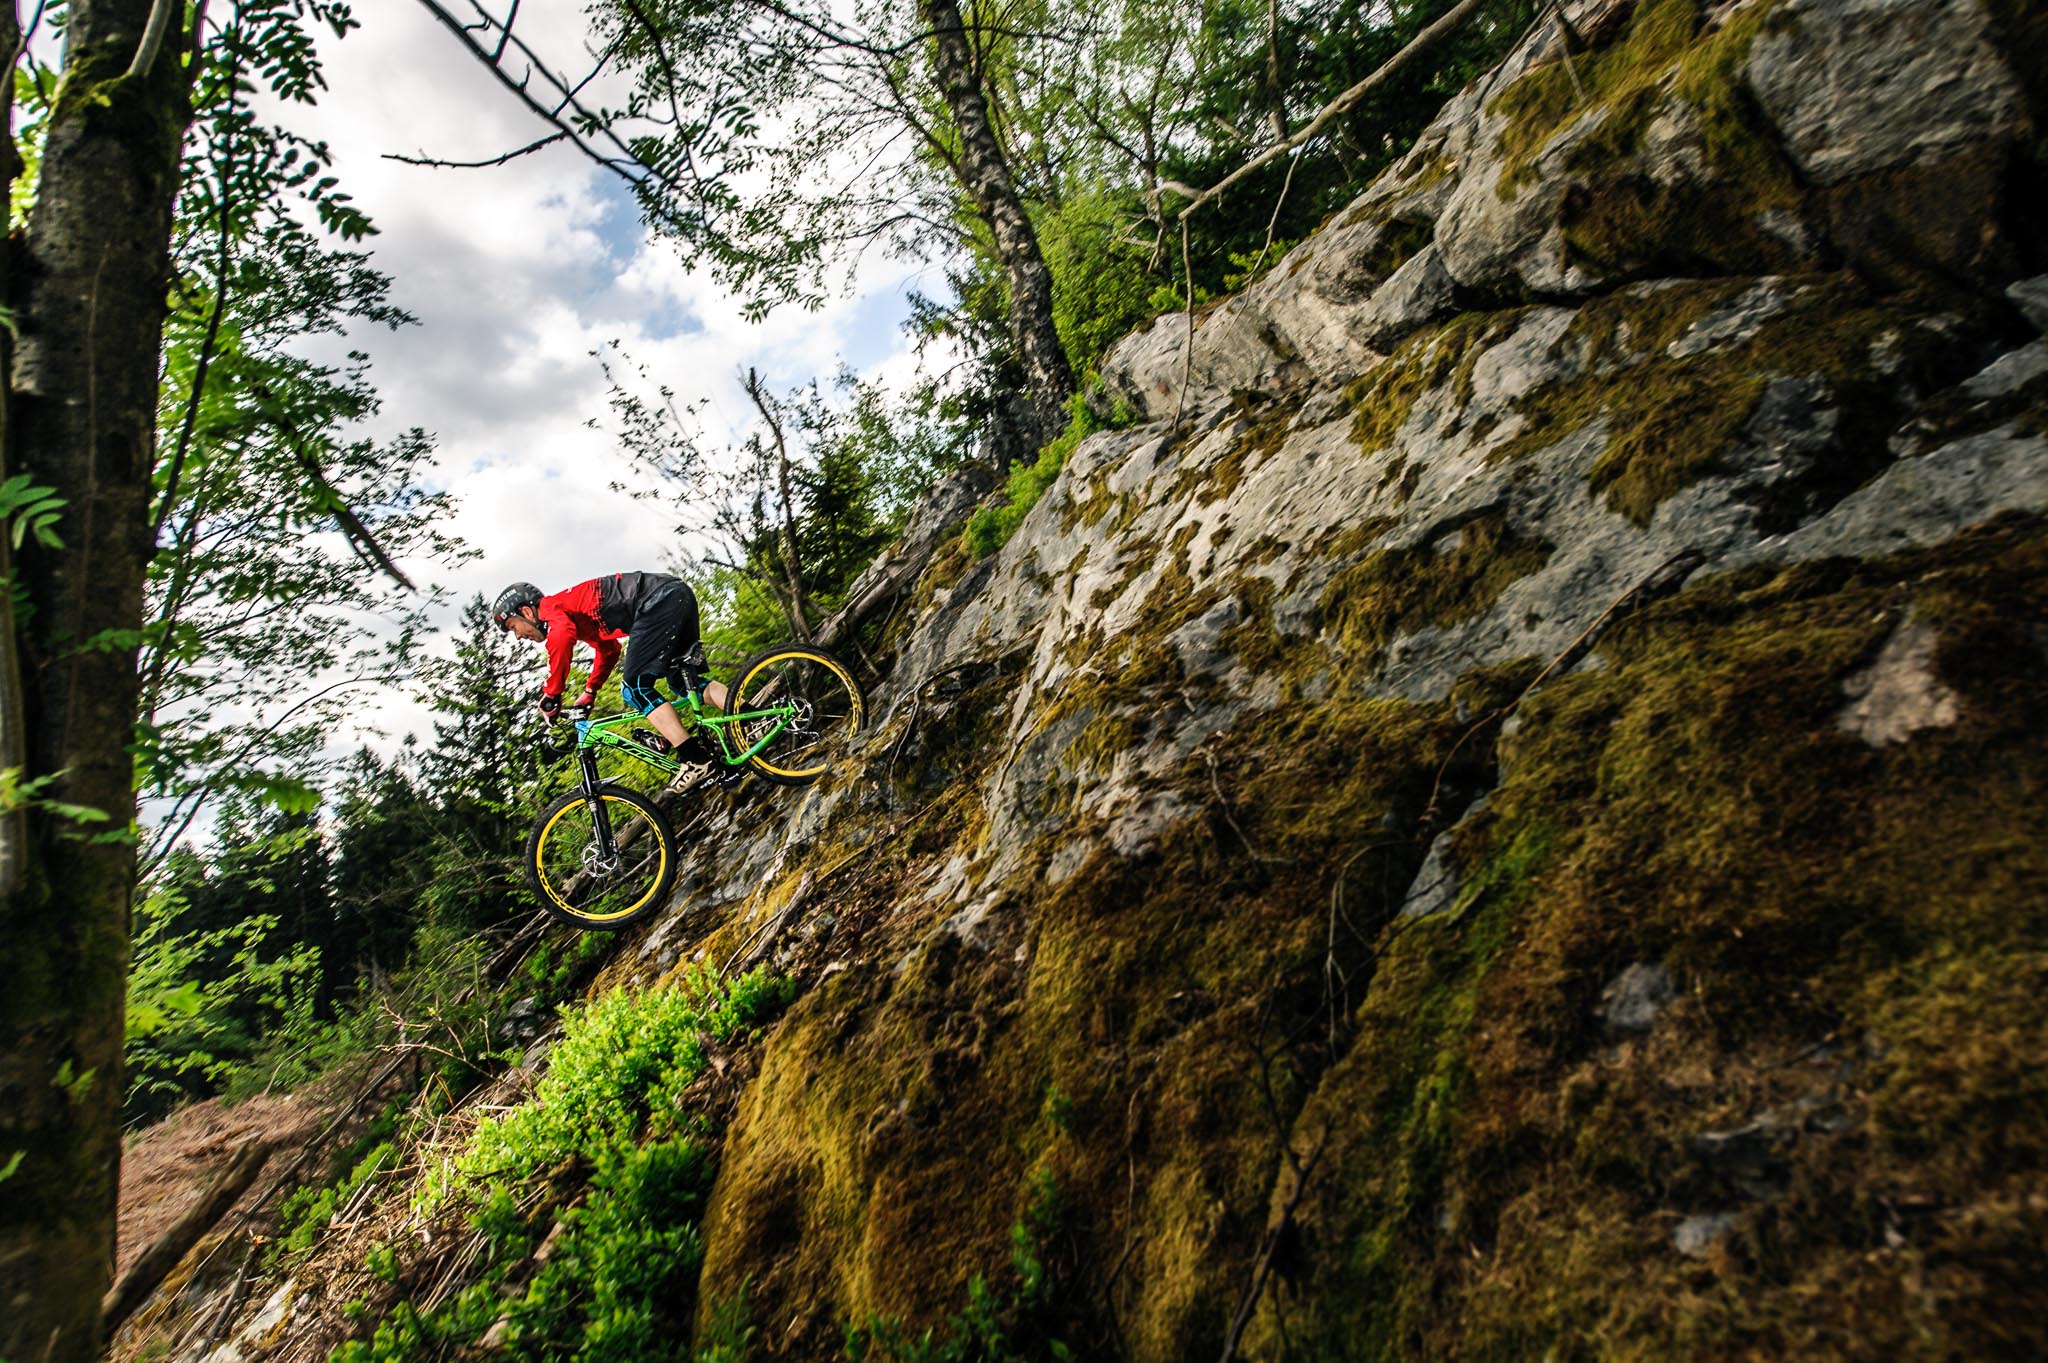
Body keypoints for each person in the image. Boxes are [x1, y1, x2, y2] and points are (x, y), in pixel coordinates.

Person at [492, 573, 728, 758]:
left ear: (526, 612)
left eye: (513, 627)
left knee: (634, 688)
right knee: (684, 684)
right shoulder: (575, 610)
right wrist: (590, 691)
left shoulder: (553, 609)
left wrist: (551, 694)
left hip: (657, 601)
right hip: (674, 594)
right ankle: (748, 716)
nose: (518, 636)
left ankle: (695, 759)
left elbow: (561, 638)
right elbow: (609, 650)